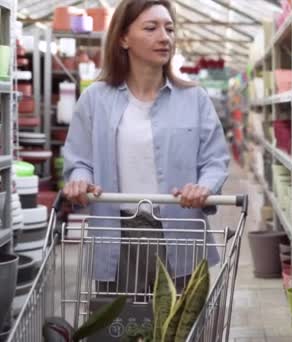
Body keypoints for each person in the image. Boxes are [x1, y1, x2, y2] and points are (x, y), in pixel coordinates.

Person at [62, 0, 230, 294]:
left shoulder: (194, 98)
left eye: (169, 28)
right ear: (123, 38)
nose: (164, 37)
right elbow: (80, 160)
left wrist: (203, 188)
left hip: (180, 233)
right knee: (120, 332)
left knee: (180, 329)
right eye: (151, 28)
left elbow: (215, 161)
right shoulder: (95, 100)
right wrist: (80, 179)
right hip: (117, 235)